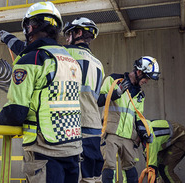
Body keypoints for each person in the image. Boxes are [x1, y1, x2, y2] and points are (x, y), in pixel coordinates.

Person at [0, 2, 83, 183]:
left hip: (44, 152)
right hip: (72, 148)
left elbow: (16, 112)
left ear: (31, 26)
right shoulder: (71, 61)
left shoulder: (31, 60)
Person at [98, 56, 160, 183]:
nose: (146, 81)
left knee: (131, 171)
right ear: (139, 72)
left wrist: (144, 132)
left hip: (128, 137)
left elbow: (138, 117)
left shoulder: (140, 95)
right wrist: (116, 93)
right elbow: (97, 100)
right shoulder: (113, 80)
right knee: (109, 169)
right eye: (146, 78)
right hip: (111, 134)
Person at [62, 17, 105, 183]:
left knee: (79, 176)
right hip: (94, 126)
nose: (66, 39)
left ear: (78, 33)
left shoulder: (66, 53)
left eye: (69, 34)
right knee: (94, 177)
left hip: (77, 126)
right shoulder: (99, 64)